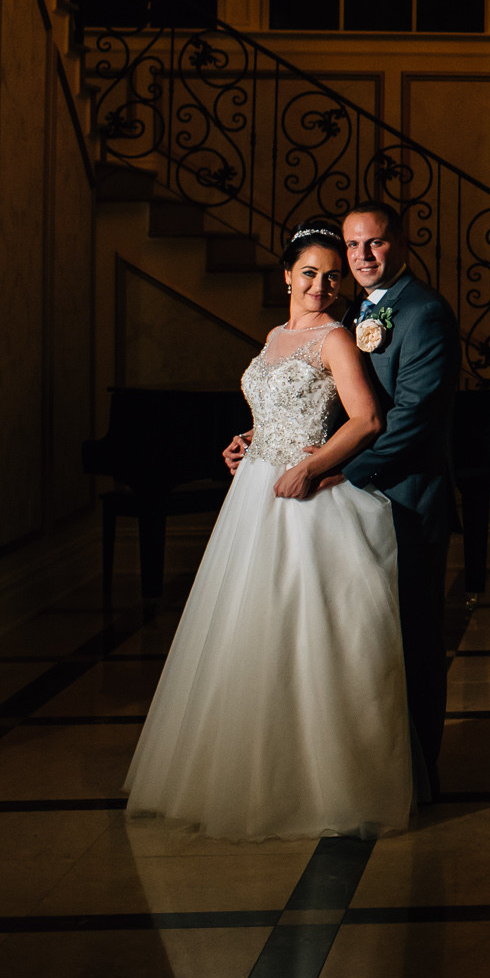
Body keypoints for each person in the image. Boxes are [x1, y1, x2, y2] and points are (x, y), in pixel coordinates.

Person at [122, 220, 413, 841]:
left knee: (304, 636)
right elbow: (281, 408)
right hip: (254, 489)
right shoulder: (276, 335)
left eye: (332, 276)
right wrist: (250, 440)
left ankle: (315, 783)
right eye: (309, 272)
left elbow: (365, 421)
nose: (321, 284)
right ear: (286, 275)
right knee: (245, 630)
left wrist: (308, 466)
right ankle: (246, 771)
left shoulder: (337, 337)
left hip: (303, 494)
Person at [326, 202, 461, 796]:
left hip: (406, 503)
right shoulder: (352, 311)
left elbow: (414, 420)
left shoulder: (425, 311)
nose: (362, 256)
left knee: (416, 642)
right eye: (353, 246)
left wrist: (336, 472)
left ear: (400, 244)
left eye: (375, 243)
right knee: (367, 644)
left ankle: (423, 773)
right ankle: (380, 767)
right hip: (357, 504)